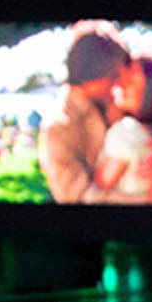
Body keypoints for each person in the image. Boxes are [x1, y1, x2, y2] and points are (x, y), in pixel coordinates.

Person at [40, 24, 128, 203]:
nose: (118, 83)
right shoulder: (59, 126)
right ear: (94, 74)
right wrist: (145, 198)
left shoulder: (112, 106)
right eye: (113, 75)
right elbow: (75, 196)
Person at [95, 58, 152, 204]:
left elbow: (101, 184)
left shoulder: (127, 131)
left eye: (130, 82)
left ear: (150, 95)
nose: (119, 84)